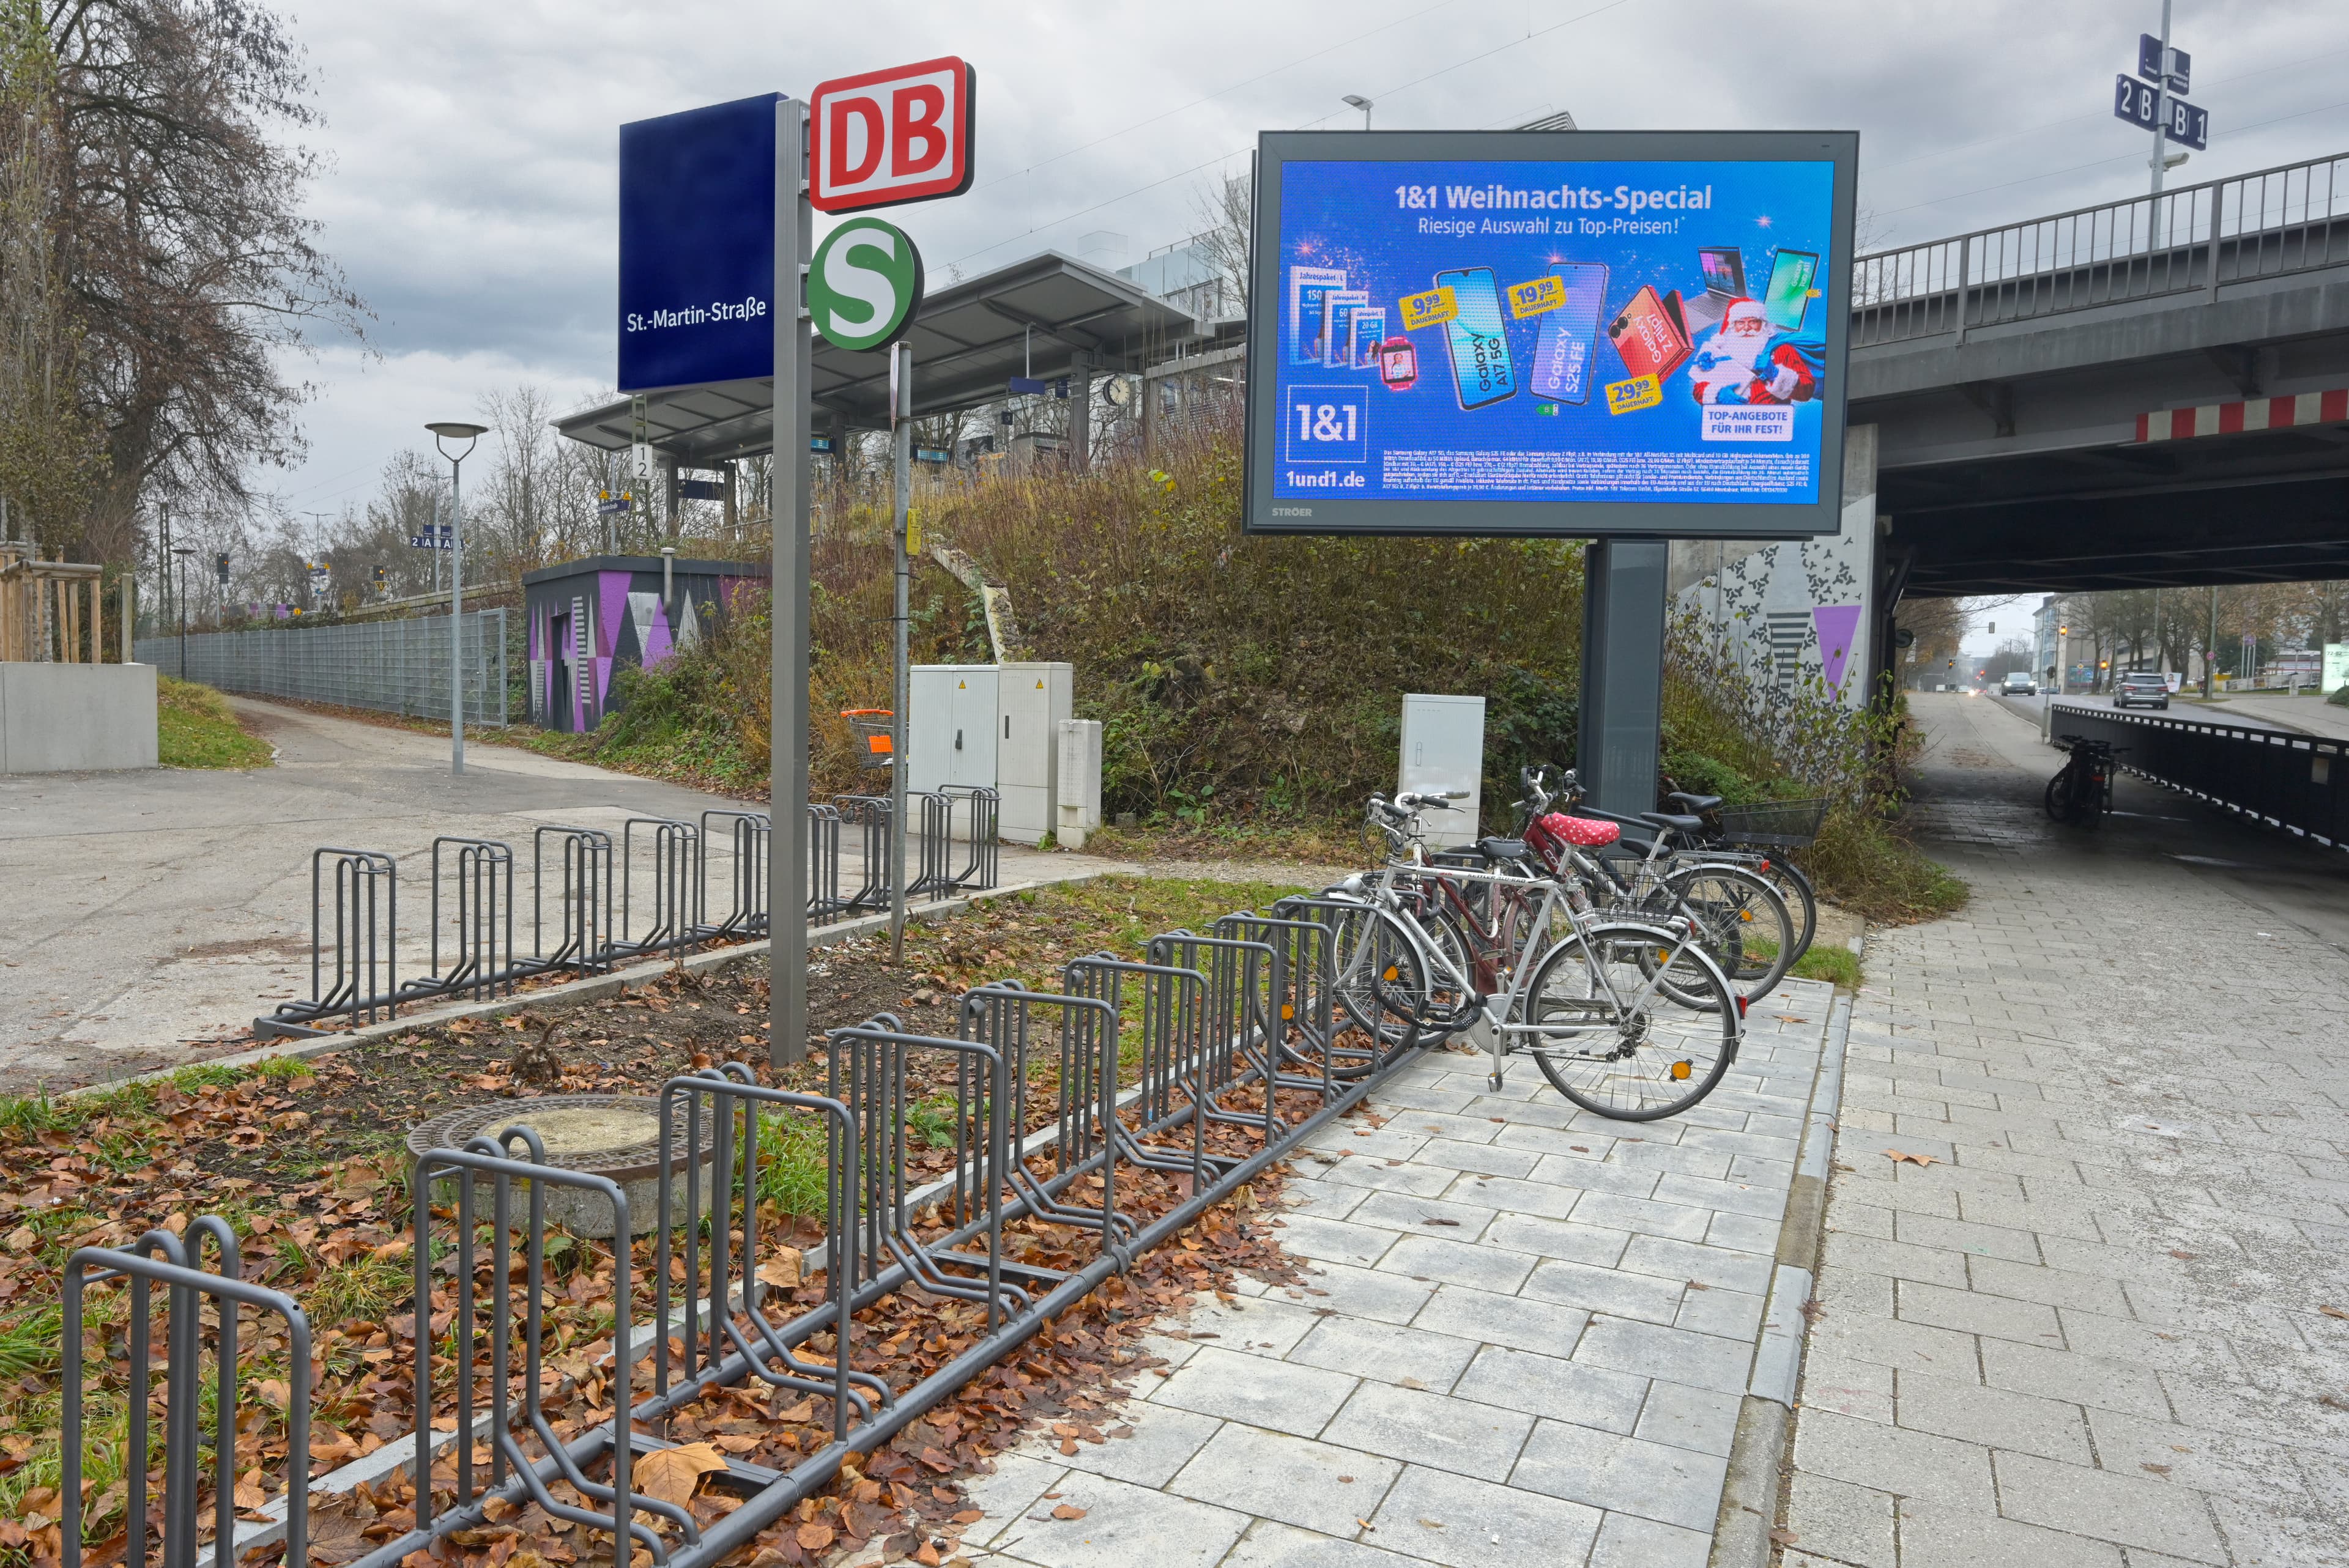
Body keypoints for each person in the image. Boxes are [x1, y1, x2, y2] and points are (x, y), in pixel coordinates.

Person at [1687, 298, 1825, 405]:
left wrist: (1777, 374)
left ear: (1763, 325)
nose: (1747, 328)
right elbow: (1699, 387)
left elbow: (1807, 390)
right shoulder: (1721, 355)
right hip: (1730, 430)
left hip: (1771, 430)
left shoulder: (1781, 351)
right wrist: (1718, 394)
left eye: (1753, 322)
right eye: (1740, 323)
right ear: (1733, 327)